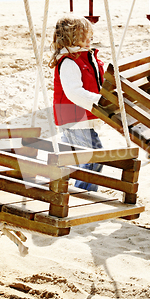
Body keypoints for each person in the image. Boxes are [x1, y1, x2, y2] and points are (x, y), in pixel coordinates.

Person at [49, 15, 104, 191]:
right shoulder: (68, 62)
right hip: (74, 120)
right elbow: (73, 92)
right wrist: (99, 101)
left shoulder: (85, 58)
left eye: (91, 36)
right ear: (71, 38)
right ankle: (84, 197)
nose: (90, 40)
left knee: (89, 160)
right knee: (93, 159)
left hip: (82, 119)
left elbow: (95, 82)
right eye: (85, 36)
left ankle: (82, 194)